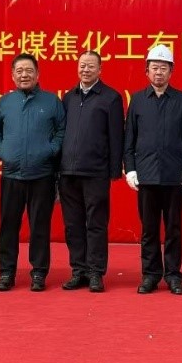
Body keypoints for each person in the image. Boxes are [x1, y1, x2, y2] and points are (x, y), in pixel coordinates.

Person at [124, 45, 182, 295]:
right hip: (146, 176)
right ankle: (150, 275)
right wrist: (130, 169)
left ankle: (174, 275)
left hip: (174, 176)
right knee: (149, 230)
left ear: (171, 71)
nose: (158, 72)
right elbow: (129, 139)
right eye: (154, 68)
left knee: (174, 228)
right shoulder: (137, 100)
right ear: (147, 71)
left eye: (163, 68)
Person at [0, 53, 65, 292]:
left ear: (38, 74)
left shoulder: (52, 101)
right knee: (8, 226)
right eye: (20, 71)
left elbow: (61, 131)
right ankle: (6, 272)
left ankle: (39, 272)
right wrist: (1, 150)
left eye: (29, 70)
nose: (24, 75)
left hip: (42, 175)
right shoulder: (5, 102)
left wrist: (50, 150)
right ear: (13, 75)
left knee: (39, 227)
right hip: (11, 175)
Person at [58, 50, 124, 293]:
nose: (85, 70)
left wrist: (114, 170)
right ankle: (78, 270)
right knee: (73, 225)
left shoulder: (111, 98)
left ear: (100, 70)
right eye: (82, 66)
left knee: (96, 224)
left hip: (96, 172)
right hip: (68, 172)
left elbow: (116, 136)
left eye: (90, 66)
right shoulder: (68, 97)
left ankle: (96, 272)